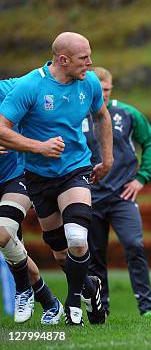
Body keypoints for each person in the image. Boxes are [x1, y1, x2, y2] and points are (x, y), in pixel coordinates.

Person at [0, 32, 114, 326]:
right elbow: (2, 129)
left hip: (75, 169)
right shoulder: (29, 86)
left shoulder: (88, 83)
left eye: (89, 56)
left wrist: (107, 157)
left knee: (77, 238)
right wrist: (39, 147)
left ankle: (73, 302)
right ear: (63, 60)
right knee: (62, 254)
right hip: (37, 178)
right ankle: (90, 289)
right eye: (83, 58)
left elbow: (101, 116)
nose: (90, 63)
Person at [84, 66, 151, 317]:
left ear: (111, 89)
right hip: (88, 197)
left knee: (134, 244)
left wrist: (142, 178)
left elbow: (150, 141)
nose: (103, 94)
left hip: (122, 197)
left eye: (106, 89)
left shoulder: (126, 113)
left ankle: (146, 307)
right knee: (94, 255)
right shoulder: (75, 113)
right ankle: (101, 308)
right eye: (98, 89)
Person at [0, 78, 64, 324]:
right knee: (14, 251)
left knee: (3, 235)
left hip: (16, 177)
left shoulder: (11, 89)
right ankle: (49, 302)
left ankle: (22, 291)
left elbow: (44, 84)